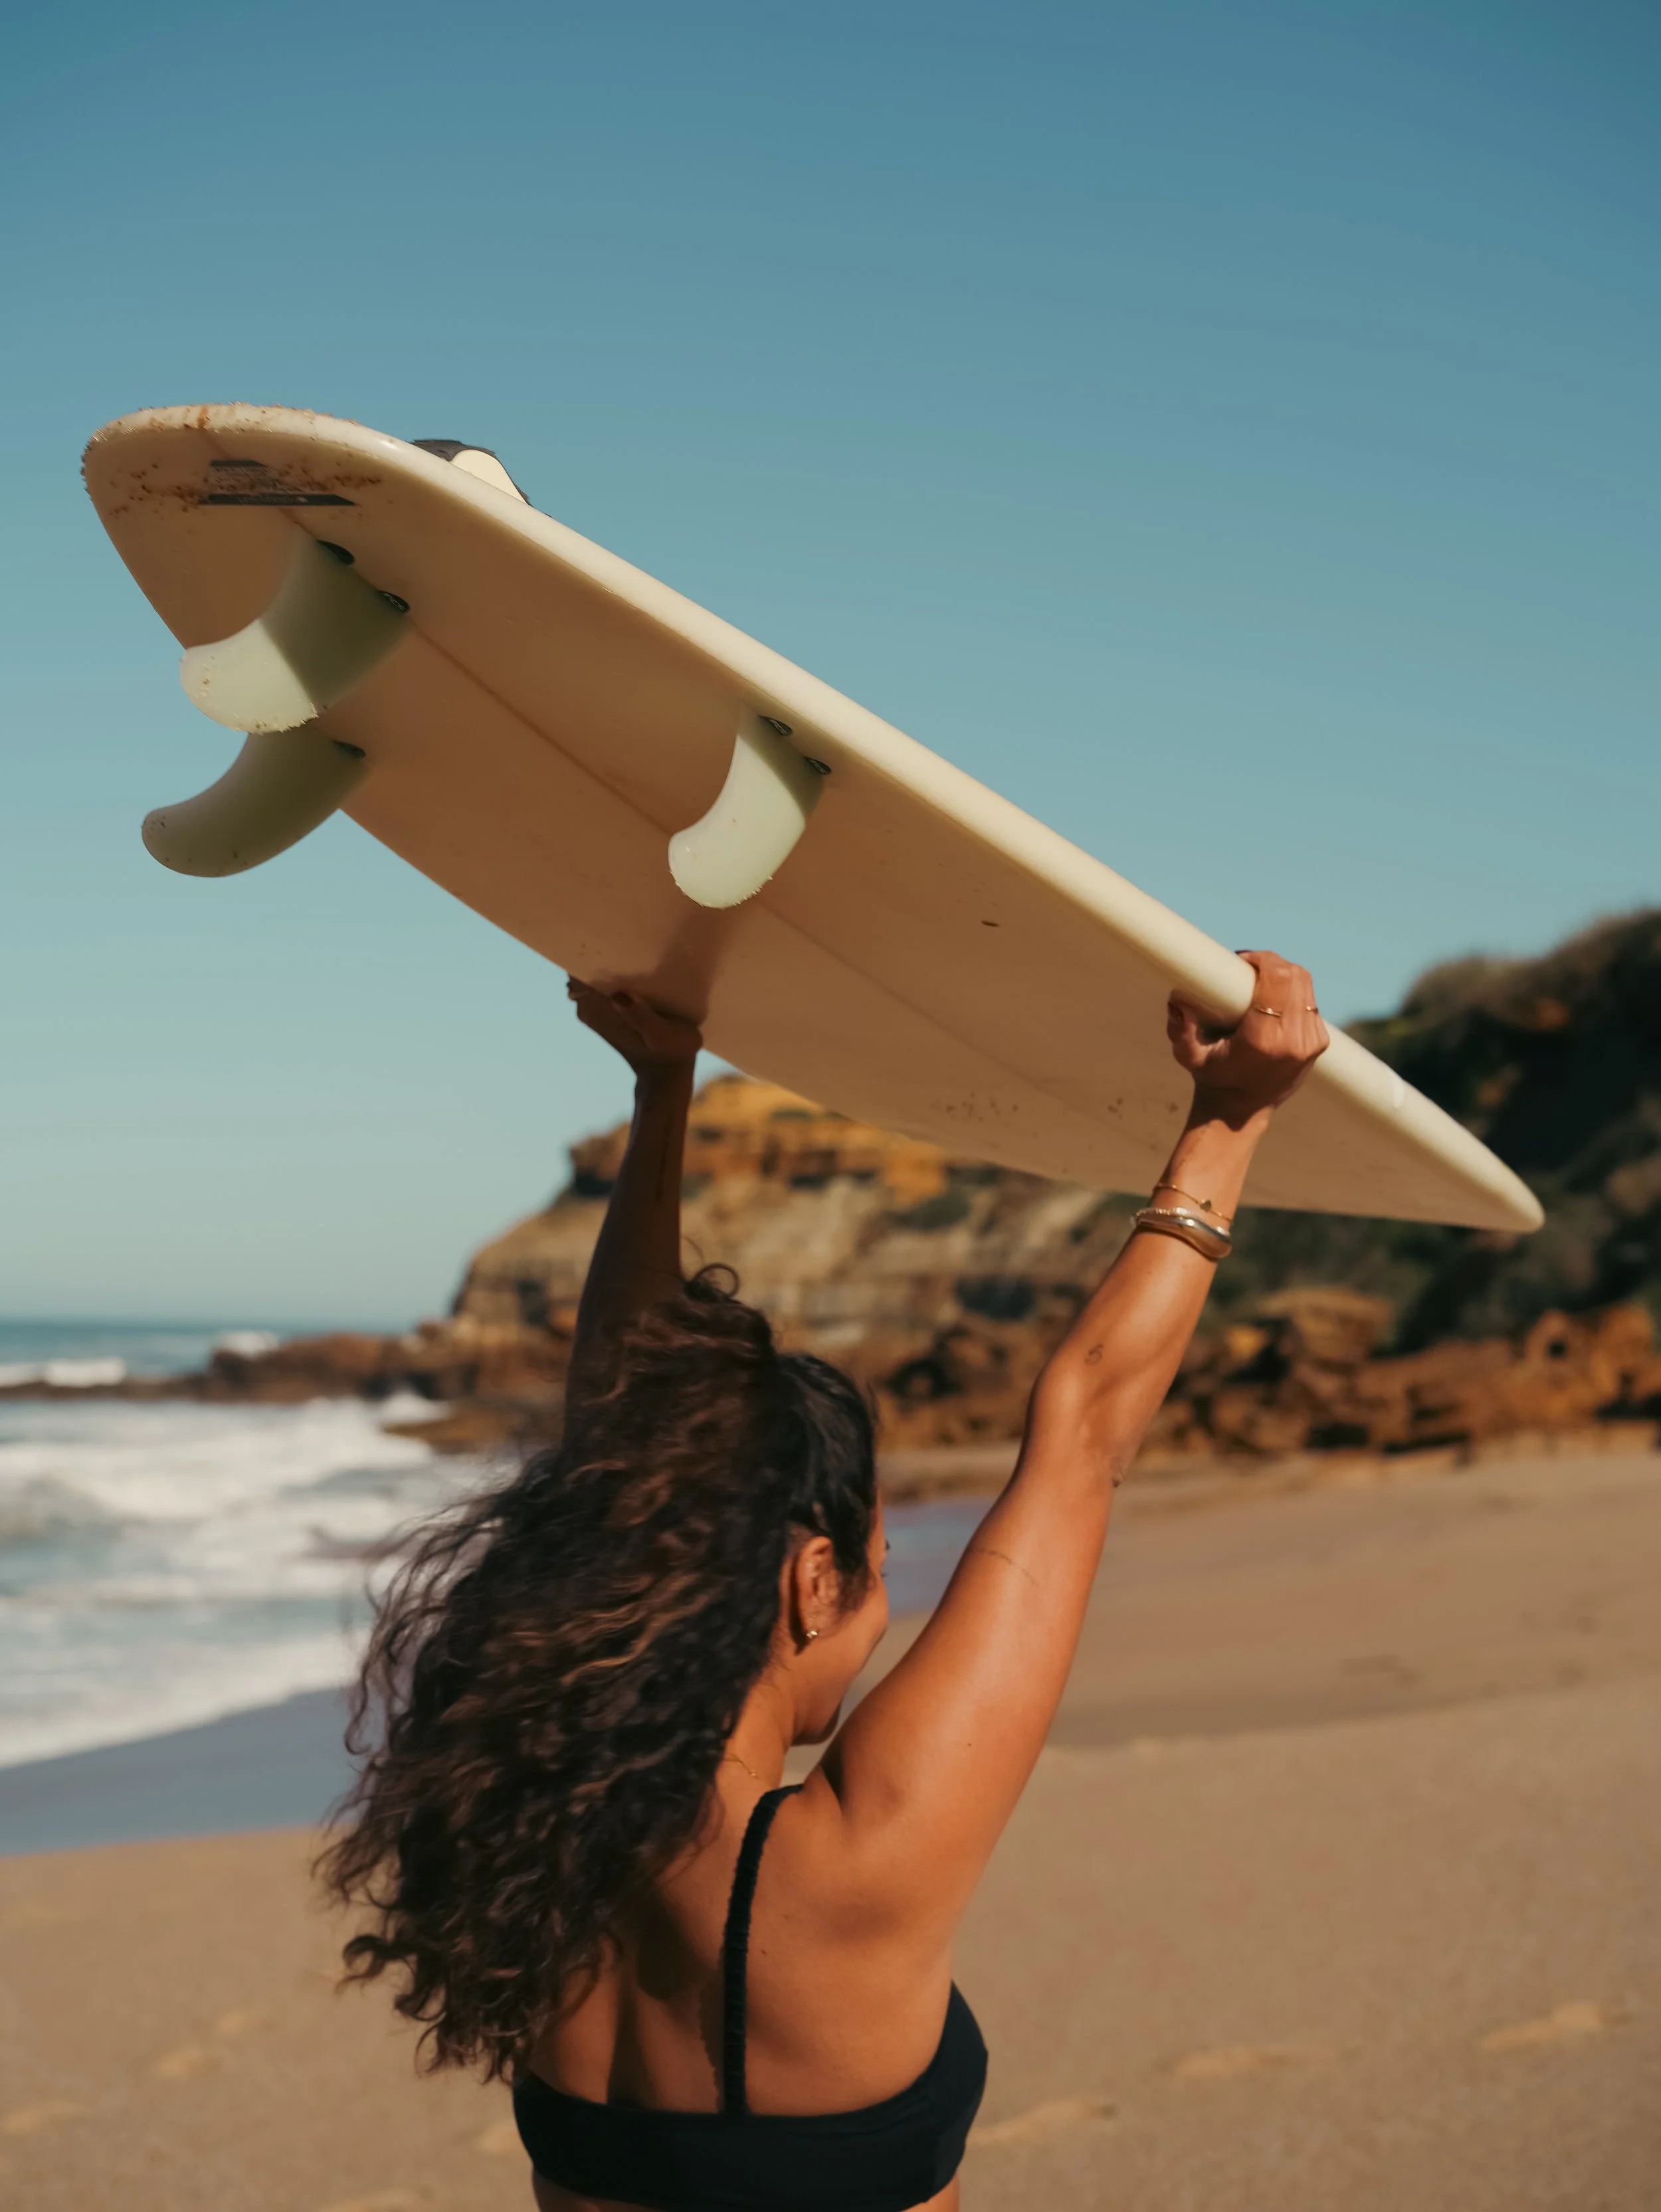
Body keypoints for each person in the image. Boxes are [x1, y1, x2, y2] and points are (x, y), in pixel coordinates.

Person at [322, 955, 1327, 2212]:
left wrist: (663, 1089)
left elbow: (619, 1441)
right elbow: (1081, 1436)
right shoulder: (848, 1866)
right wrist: (1231, 1120)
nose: (879, 1604)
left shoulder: (543, 1849)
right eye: (876, 1572)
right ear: (812, 1581)